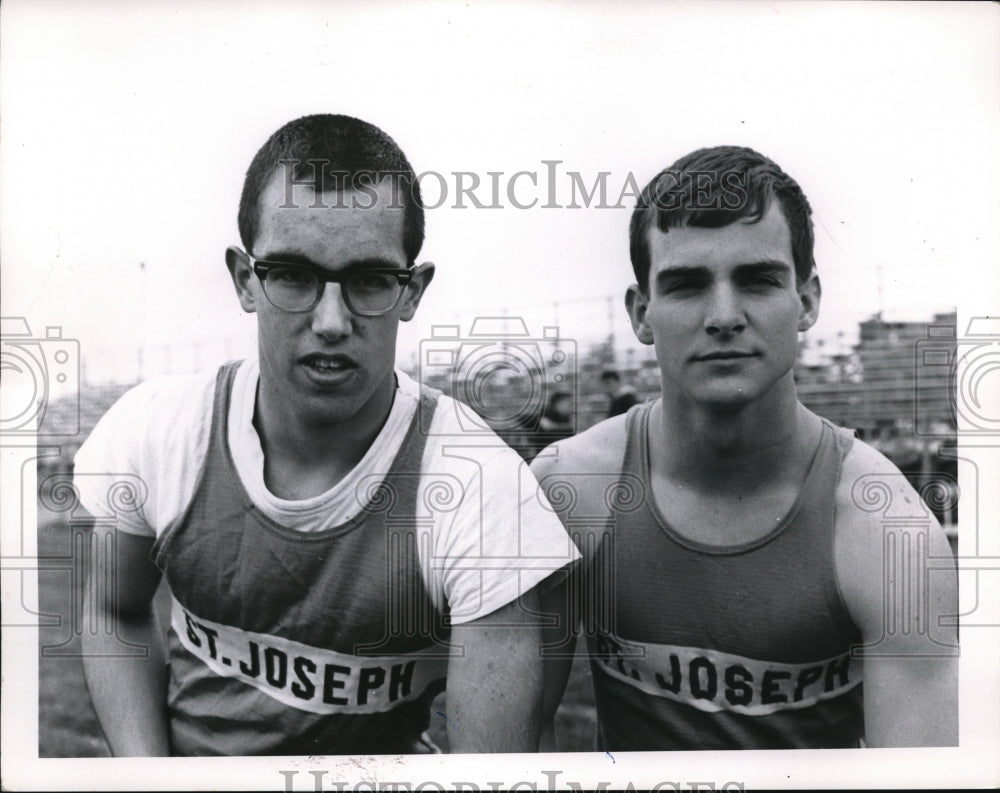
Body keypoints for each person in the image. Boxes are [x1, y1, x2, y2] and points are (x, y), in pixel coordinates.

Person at [75, 114, 578, 756]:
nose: (332, 321)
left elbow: (491, 765)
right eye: (292, 274)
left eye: (369, 279)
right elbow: (113, 611)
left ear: (413, 291)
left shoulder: (480, 488)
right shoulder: (161, 431)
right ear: (244, 280)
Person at [534, 146, 958, 750]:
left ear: (807, 300)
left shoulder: (889, 532)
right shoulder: (571, 489)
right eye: (686, 285)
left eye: (758, 281)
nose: (724, 316)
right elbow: (512, 749)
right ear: (641, 313)